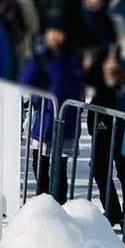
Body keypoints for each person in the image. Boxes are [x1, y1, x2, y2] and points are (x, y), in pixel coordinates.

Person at [20, 16, 87, 200]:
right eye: (52, 32)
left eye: (59, 33)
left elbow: (69, 85)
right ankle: (42, 199)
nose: (55, 37)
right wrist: (36, 60)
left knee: (60, 165)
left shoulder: (72, 58)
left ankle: (58, 202)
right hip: (44, 117)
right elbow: (26, 81)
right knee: (39, 162)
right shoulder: (41, 57)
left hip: (65, 118)